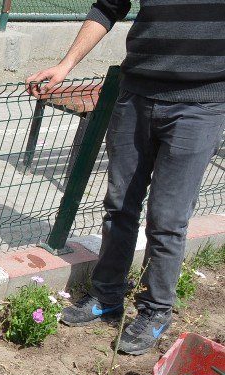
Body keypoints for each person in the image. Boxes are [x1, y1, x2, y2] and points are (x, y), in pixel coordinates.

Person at [27, 0, 225, 355]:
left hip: (201, 103)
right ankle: (107, 294)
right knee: (119, 205)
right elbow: (107, 7)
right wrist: (66, 64)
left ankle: (155, 311)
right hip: (136, 95)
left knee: (167, 218)